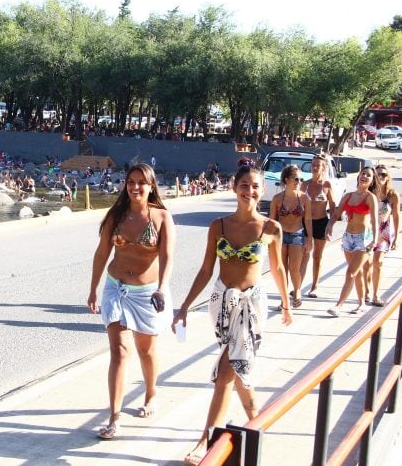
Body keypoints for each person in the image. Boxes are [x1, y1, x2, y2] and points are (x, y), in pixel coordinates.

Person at [173, 158, 292, 466]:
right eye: (243, 186)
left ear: (263, 189)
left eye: (255, 186)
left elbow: (277, 267)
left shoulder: (270, 228)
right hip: (221, 303)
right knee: (238, 371)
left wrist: (287, 302)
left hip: (252, 305)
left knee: (227, 372)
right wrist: (184, 306)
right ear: (233, 188)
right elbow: (204, 270)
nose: (249, 191)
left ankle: (205, 441)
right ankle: (258, 421)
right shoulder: (219, 226)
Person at [87, 163, 175, 440]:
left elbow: (168, 257)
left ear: (151, 186)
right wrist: (93, 289)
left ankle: (151, 394)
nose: (135, 187)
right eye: (131, 182)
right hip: (116, 289)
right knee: (119, 351)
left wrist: (162, 287)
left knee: (146, 351)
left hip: (146, 293)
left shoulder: (162, 217)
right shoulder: (116, 216)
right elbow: (102, 254)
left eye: (141, 183)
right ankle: (115, 417)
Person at [325, 166, 378, 316]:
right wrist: (329, 226)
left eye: (368, 176)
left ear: (372, 181)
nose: (365, 177)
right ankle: (361, 303)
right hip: (348, 238)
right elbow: (336, 214)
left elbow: (374, 220)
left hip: (364, 239)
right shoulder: (348, 196)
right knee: (357, 273)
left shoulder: (370, 197)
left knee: (350, 273)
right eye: (363, 174)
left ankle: (338, 305)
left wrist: (375, 240)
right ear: (358, 176)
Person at [269, 164, 312, 309]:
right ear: (287, 180)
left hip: (297, 234)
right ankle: (284, 299)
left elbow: (307, 220)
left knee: (295, 268)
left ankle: (297, 292)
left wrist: (309, 239)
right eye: (296, 179)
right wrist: (269, 239)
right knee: (282, 269)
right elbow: (272, 221)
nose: (299, 182)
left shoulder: (305, 198)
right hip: (280, 236)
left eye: (301, 179)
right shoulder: (277, 199)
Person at [361, 164, 400, 306]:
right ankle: (366, 292)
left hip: (383, 232)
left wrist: (397, 237)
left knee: (378, 263)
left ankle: (376, 295)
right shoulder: (368, 193)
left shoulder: (393, 195)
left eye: (384, 174)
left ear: (388, 177)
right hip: (368, 232)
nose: (381, 177)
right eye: (378, 175)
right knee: (366, 264)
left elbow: (396, 216)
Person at [300, 155, 337, 298]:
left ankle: (314, 286)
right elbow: (299, 204)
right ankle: (298, 286)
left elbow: (333, 206)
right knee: (305, 255)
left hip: (321, 222)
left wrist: (330, 225)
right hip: (306, 223)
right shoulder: (305, 185)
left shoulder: (326, 185)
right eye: (313, 165)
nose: (315, 167)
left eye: (318, 165)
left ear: (323, 168)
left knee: (317, 256)